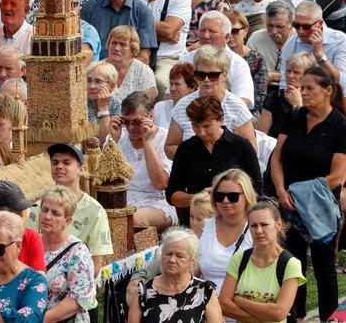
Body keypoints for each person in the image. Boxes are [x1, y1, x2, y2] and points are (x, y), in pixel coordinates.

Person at [270, 66, 346, 322]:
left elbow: (338, 175)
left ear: (328, 90)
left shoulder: (340, 125)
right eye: (301, 88)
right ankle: (297, 317)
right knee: (294, 264)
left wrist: (299, 194)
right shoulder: (294, 117)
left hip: (320, 208)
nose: (303, 92)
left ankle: (329, 319)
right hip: (288, 203)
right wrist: (281, 191)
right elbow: (277, 157)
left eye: (308, 88)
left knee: (325, 268)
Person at [167, 95, 262, 223]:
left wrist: (229, 197)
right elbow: (172, 195)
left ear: (221, 120)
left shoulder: (241, 146)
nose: (201, 132)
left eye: (206, 126)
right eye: (195, 126)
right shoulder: (186, 149)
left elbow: (257, 190)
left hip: (235, 219)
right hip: (198, 220)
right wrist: (198, 197)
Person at [27, 143, 112, 271]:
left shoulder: (95, 211)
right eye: (55, 162)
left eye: (66, 163)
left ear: (81, 169)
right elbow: (27, 249)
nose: (59, 166)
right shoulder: (38, 207)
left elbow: (95, 267)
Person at [220, 200, 305, 322]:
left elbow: (279, 312)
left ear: (278, 225)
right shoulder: (240, 258)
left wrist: (239, 300)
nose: (259, 231)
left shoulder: (290, 264)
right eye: (254, 226)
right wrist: (262, 317)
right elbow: (223, 303)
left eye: (264, 224)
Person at [106, 92, 177, 231]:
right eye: (126, 122)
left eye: (137, 122)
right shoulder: (120, 136)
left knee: (131, 219)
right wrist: (113, 142)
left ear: (150, 117)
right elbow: (104, 179)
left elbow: (161, 183)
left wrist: (147, 143)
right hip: (122, 199)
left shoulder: (165, 138)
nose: (131, 128)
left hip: (157, 201)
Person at [131, 0, 192, 95]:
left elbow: (170, 31)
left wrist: (138, 25)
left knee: (160, 82)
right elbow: (124, 25)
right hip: (135, 53)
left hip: (168, 57)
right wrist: (161, 31)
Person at [128, 227, 222, 323]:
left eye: (179, 256)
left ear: (191, 261)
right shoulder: (143, 292)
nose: (172, 260)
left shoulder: (205, 291)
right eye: (168, 254)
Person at [81, 0, 156, 62]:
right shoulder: (89, 9)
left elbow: (143, 57)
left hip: (127, 73)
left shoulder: (143, 13)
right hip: (94, 72)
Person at [40, 186, 96, 323]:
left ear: (67, 220)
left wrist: (36, 320)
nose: (47, 216)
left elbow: (76, 300)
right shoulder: (29, 243)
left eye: (55, 213)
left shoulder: (77, 252)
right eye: (45, 209)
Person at [178, 10, 255, 108]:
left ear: (227, 37)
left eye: (212, 31)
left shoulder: (238, 64)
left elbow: (243, 101)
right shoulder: (186, 60)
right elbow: (172, 95)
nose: (206, 35)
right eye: (202, 30)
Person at [198, 169, 257, 294]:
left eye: (233, 196)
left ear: (246, 196)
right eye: (219, 196)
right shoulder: (204, 226)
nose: (225, 201)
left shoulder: (257, 228)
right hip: (206, 301)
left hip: (242, 301)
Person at [279, 0, 346, 90]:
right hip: (299, 97)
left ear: (320, 23)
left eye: (307, 27)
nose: (301, 31)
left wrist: (320, 55)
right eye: (297, 25)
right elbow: (283, 84)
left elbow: (342, 84)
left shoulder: (340, 40)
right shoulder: (290, 43)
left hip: (331, 99)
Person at [258, 52, 315, 138]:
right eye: (288, 71)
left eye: (296, 72)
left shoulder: (314, 100)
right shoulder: (274, 97)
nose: (290, 76)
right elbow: (261, 133)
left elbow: (312, 134)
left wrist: (298, 105)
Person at [226, 10, 269, 119]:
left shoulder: (256, 59)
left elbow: (259, 97)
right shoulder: (214, 57)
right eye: (226, 31)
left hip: (248, 112)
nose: (230, 35)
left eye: (234, 31)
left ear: (246, 30)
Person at [246, 0, 295, 90]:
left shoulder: (299, 40)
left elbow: (306, 76)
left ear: (291, 25)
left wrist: (275, 76)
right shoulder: (256, 37)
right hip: (262, 88)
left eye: (279, 26)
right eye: (270, 25)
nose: (274, 31)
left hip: (293, 88)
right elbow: (247, 71)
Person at [153, 63, 197, 129]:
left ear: (191, 87)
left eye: (177, 84)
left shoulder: (197, 111)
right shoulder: (159, 107)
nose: (172, 88)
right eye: (171, 84)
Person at [86, 61, 120, 129]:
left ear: (111, 86)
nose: (92, 86)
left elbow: (109, 138)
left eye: (98, 81)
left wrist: (103, 109)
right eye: (89, 80)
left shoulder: (117, 106)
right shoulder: (80, 105)